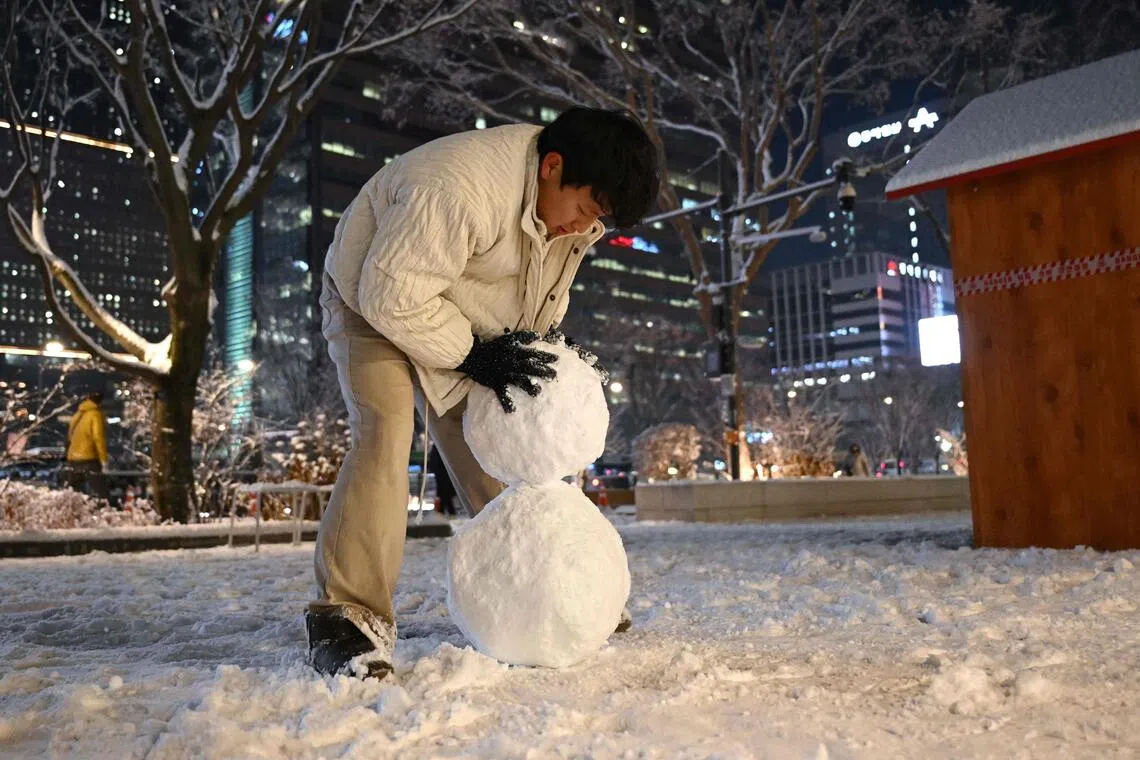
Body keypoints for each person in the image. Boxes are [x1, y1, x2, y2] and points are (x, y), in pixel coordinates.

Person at [306, 108, 658, 679]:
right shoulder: (458, 188)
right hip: (373, 294)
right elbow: (391, 295)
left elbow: (540, 293)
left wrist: (529, 354)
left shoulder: (571, 214)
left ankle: (550, 586)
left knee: (503, 443)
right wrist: (473, 356)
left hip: (460, 310)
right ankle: (345, 617)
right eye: (586, 211)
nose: (583, 228)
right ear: (552, 166)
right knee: (387, 429)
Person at [64, 392, 109, 500]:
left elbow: (70, 435)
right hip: (89, 458)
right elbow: (98, 438)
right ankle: (101, 514)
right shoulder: (96, 414)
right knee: (100, 492)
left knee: (72, 492)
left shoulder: (78, 414)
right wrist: (104, 461)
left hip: (73, 457)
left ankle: (72, 513)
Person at [426, 445, 459, 517]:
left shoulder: (436, 447)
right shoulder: (444, 448)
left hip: (441, 476)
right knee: (446, 496)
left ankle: (444, 513)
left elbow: (434, 463)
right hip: (445, 475)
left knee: (444, 495)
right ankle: (447, 513)